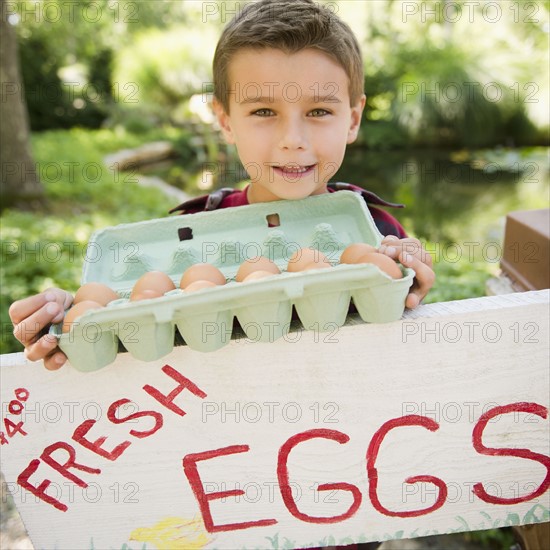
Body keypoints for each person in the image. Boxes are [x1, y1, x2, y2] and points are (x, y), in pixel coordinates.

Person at [9, 0, 434, 373]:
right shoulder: (195, 230)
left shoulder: (375, 229)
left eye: (319, 110)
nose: (293, 138)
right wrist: (73, 321)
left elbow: (403, 341)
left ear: (354, 119)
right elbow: (141, 330)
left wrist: (407, 280)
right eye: (264, 110)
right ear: (225, 119)